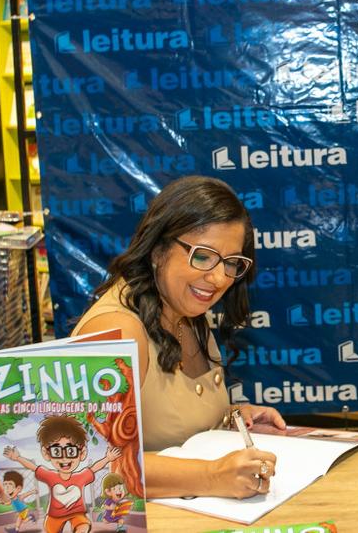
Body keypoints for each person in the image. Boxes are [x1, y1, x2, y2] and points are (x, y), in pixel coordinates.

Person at [71, 176, 286, 499]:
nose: (217, 278)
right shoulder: (116, 331)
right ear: (158, 250)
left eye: (231, 263)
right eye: (202, 256)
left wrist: (230, 419)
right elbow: (85, 465)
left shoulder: (188, 313)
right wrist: (212, 476)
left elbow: (168, 418)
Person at [3, 415, 121, 533]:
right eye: (57, 451)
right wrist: (17, 458)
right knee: (50, 529)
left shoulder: (81, 476)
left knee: (83, 526)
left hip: (77, 514)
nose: (64, 458)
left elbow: (94, 468)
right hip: (54, 516)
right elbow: (34, 468)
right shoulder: (50, 476)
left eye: (71, 451)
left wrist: (107, 458)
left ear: (82, 453)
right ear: (46, 453)